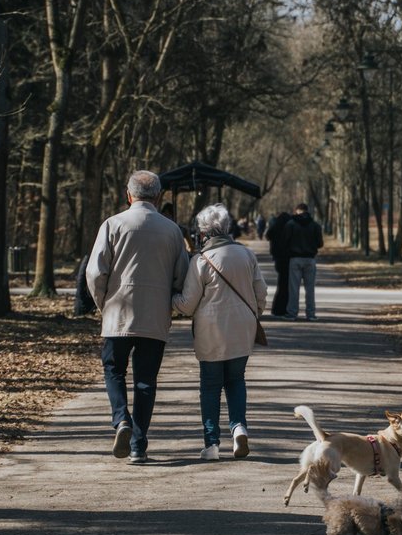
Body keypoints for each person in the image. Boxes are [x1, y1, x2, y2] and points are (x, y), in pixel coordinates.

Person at [86, 170, 189, 465]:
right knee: (146, 381)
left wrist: (103, 302)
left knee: (113, 370)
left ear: (128, 195)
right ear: (159, 197)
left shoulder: (113, 224)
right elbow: (182, 274)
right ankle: (138, 446)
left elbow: (95, 272)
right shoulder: (172, 231)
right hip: (154, 316)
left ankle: (121, 420)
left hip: (118, 311)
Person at [172, 204, 267, 461]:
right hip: (242, 328)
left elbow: (188, 304)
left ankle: (212, 444)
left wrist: (171, 300)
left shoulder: (201, 261)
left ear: (204, 232)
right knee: (236, 380)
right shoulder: (246, 255)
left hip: (210, 332)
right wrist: (253, 314)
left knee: (211, 386)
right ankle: (239, 429)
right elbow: (261, 292)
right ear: (227, 228)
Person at [281, 203, 323, 321]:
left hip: (295, 259)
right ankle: (311, 314)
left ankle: (292, 313)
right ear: (307, 211)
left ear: (297, 211)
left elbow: (284, 242)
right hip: (310, 259)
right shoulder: (315, 225)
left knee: (294, 288)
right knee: (310, 289)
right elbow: (320, 244)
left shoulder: (290, 224)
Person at [266, 211, 292, 317]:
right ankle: (283, 308)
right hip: (288, 258)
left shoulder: (274, 228)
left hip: (278, 259)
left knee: (281, 284)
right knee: (286, 285)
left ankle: (277, 308)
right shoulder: (289, 229)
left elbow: (268, 236)